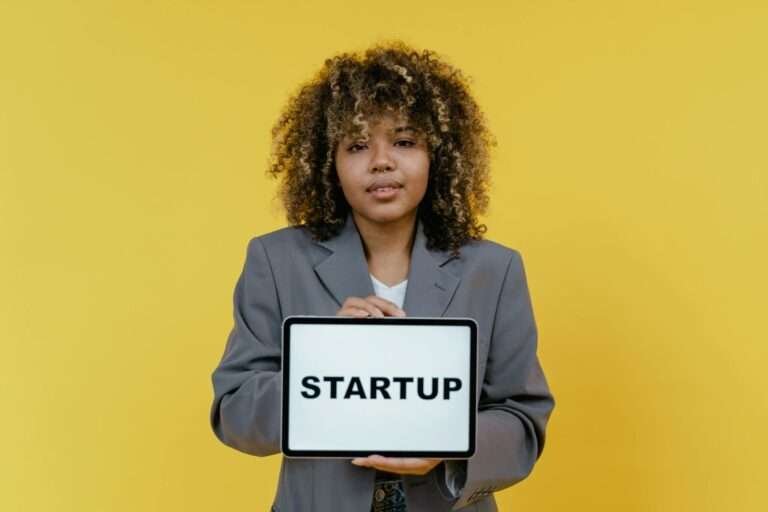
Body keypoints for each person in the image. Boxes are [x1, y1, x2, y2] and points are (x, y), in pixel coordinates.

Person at [209, 40, 555, 512]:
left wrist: (449, 447)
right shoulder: (275, 260)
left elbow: (522, 419)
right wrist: (323, 362)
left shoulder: (494, 270)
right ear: (327, 163)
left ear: (441, 155)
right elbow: (234, 413)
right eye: (356, 145)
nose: (381, 161)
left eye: (405, 141)